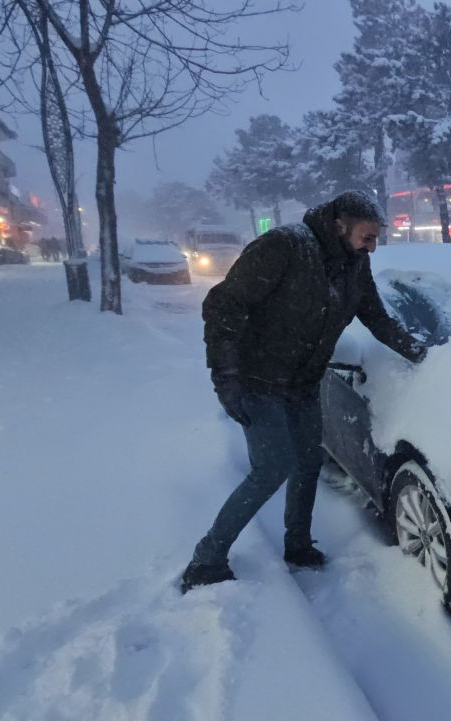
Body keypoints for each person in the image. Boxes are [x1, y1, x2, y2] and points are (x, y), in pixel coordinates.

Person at [181, 191, 426, 594]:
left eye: (376, 238)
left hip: (303, 384)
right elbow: (224, 305)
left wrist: (422, 354)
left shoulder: (354, 266)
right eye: (368, 236)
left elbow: (376, 318)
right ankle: (206, 558)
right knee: (271, 468)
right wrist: (226, 377)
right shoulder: (284, 247)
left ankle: (297, 545)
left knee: (308, 463)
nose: (373, 246)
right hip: (258, 381)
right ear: (340, 223)